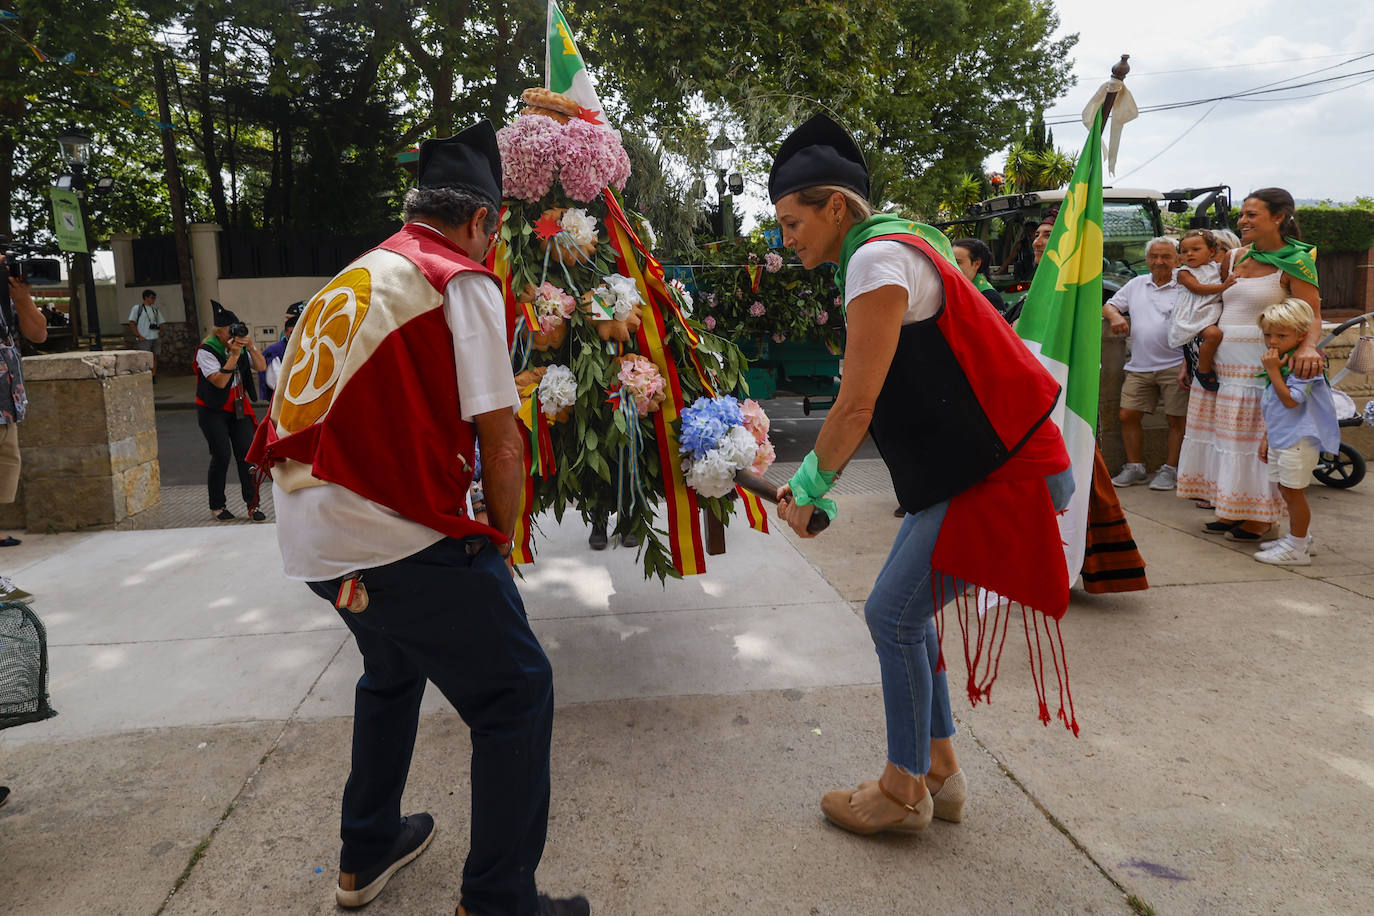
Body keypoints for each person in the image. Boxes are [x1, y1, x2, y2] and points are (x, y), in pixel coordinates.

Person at [247, 121, 588, 916]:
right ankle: (500, 899)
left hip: (307, 533)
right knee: (516, 691)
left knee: (393, 668)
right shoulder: (456, 278)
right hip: (381, 532)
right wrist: (498, 550)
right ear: (483, 221)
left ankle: (366, 851)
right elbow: (501, 446)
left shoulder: (361, 272)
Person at [769, 114, 1075, 836]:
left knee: (891, 615)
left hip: (1000, 473)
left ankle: (904, 786)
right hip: (992, 465)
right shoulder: (901, 247)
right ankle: (941, 771)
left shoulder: (873, 261)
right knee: (909, 618)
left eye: (791, 221)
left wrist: (811, 486)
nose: (786, 238)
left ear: (835, 206)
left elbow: (856, 402)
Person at [1177, 188, 1321, 540]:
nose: (1242, 221)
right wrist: (1192, 361)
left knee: (1250, 439)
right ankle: (1230, 508)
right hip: (1221, 365)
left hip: (1259, 365)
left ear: (1278, 217)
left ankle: (1259, 517)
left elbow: (1313, 313)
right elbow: (1215, 307)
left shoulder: (1298, 262)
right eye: (1242, 214)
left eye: (1252, 215)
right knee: (1220, 435)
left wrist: (1309, 348)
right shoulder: (1236, 256)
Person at [1253, 298, 1339, 565]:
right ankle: (1300, 538)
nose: (1272, 341)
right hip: (1283, 436)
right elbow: (1274, 407)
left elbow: (1291, 400)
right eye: (1268, 334)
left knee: (1295, 491)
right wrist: (1268, 437)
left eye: (1281, 335)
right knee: (1285, 488)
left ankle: (1297, 549)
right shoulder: (1283, 358)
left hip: (1298, 439)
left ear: (1301, 335)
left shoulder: (1304, 364)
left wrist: (1273, 372)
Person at [1102, 237, 1188, 491]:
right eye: (1154, 257)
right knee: (1127, 414)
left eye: (1166, 257)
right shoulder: (1136, 283)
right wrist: (1116, 316)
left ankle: (1170, 470)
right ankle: (1135, 467)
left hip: (1176, 363)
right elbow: (1109, 305)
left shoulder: (1185, 285)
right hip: (1139, 365)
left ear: (1177, 259)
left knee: (1176, 420)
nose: (1159, 262)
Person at [195, 302, 266, 521]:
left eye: (237, 328)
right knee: (221, 455)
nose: (235, 333)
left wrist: (251, 347)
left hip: (237, 405)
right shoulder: (206, 351)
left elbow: (261, 367)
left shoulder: (242, 346)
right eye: (230, 329)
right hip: (212, 408)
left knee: (247, 455)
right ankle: (217, 505)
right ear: (219, 331)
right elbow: (218, 381)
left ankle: (253, 505)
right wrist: (234, 356)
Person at [0, 258, 48, 555]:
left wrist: (22, 297)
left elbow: (38, 334)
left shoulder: (6, 295)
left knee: (4, 473)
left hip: (5, 406)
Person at [1167, 229, 1234, 391]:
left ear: (1211, 251)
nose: (1189, 254)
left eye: (1196, 250)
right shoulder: (1183, 273)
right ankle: (1203, 369)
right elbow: (1198, 288)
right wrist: (1223, 286)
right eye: (1184, 251)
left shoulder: (1217, 268)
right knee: (1214, 334)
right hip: (1194, 314)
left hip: (1209, 311)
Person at [952, 237, 1007, 317]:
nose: (951, 265)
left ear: (977, 264)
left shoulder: (990, 298)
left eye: (958, 262)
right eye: (949, 260)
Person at [258, 301, 302, 401]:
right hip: (284, 398)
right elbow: (275, 382)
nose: (296, 336)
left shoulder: (307, 347)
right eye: (292, 333)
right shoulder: (275, 350)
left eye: (299, 332)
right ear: (286, 332)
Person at [128, 289, 165, 381]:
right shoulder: (137, 308)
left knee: (154, 356)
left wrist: (160, 331)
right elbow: (132, 322)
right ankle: (146, 374)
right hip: (144, 337)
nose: (153, 300)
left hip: (155, 336)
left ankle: (153, 375)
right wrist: (138, 335)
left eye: (154, 298)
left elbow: (160, 322)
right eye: (152, 298)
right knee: (145, 357)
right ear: (146, 298)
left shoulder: (155, 309)